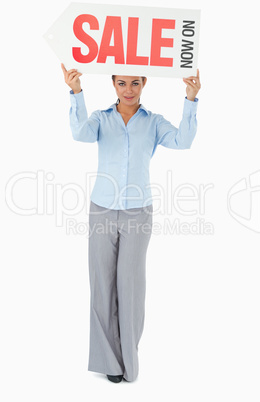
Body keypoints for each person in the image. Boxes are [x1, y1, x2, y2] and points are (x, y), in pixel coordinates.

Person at [61, 63, 201, 383]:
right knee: (102, 286)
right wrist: (76, 92)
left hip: (139, 212)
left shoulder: (153, 122)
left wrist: (190, 99)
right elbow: (79, 133)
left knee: (130, 286)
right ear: (112, 83)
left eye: (134, 83)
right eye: (122, 83)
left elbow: (182, 141)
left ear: (144, 83)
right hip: (102, 209)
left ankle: (128, 359)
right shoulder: (100, 118)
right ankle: (109, 362)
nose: (128, 89)